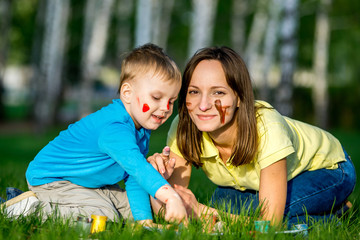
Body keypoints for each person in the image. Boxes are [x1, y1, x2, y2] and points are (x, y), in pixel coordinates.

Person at [149, 46, 356, 227]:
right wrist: (153, 178)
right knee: (222, 203)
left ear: (239, 97)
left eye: (218, 93)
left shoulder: (266, 127)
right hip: (270, 182)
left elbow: (268, 225)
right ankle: (331, 209)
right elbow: (173, 201)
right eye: (194, 92)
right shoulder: (185, 126)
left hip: (329, 169)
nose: (203, 105)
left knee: (263, 212)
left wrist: (202, 212)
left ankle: (334, 216)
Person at [4, 43, 187, 226]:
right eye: (156, 98)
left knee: (134, 211)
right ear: (127, 93)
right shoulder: (115, 128)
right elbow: (139, 167)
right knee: (104, 217)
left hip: (86, 184)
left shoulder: (141, 129)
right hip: (54, 180)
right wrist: (170, 196)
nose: (165, 108)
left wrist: (143, 221)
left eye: (171, 101)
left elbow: (134, 176)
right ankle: (26, 208)